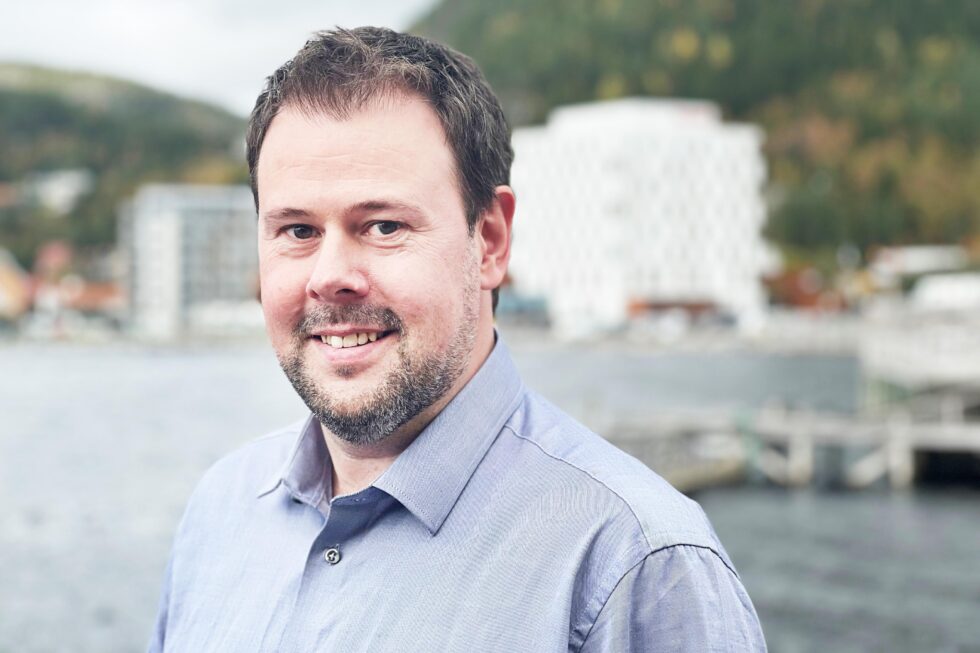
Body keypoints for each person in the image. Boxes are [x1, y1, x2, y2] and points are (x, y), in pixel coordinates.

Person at [148, 26, 766, 652]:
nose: (330, 277)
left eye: (383, 226)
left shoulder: (635, 566)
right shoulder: (221, 511)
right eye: (298, 231)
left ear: (490, 241)